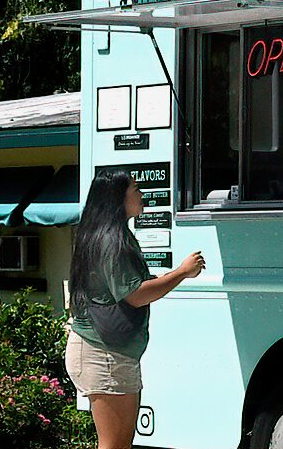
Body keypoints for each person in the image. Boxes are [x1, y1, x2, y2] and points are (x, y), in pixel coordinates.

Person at [66, 171, 204, 449]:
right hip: (104, 354)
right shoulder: (112, 241)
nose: (142, 195)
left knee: (119, 444)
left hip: (107, 352)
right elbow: (135, 295)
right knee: (114, 445)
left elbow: (129, 287)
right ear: (118, 197)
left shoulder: (108, 235)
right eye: (136, 189)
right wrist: (181, 273)